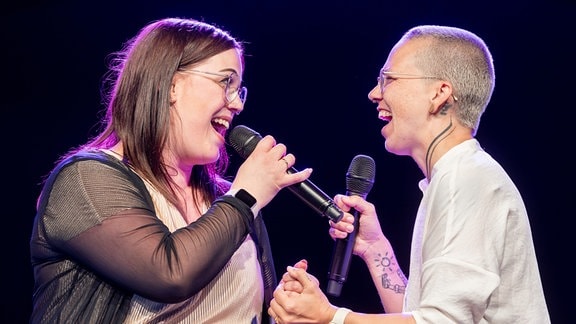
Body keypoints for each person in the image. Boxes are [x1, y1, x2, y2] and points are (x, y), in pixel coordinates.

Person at [29, 17, 312, 323]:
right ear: (171, 85)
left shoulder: (226, 198)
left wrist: (283, 308)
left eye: (239, 90)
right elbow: (170, 274)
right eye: (225, 82)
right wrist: (246, 196)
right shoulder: (86, 179)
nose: (237, 104)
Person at [268, 25, 550, 323]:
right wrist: (376, 249)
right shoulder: (454, 177)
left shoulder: (463, 180)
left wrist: (330, 317)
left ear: (439, 94)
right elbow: (421, 315)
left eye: (388, 78)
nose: (374, 93)